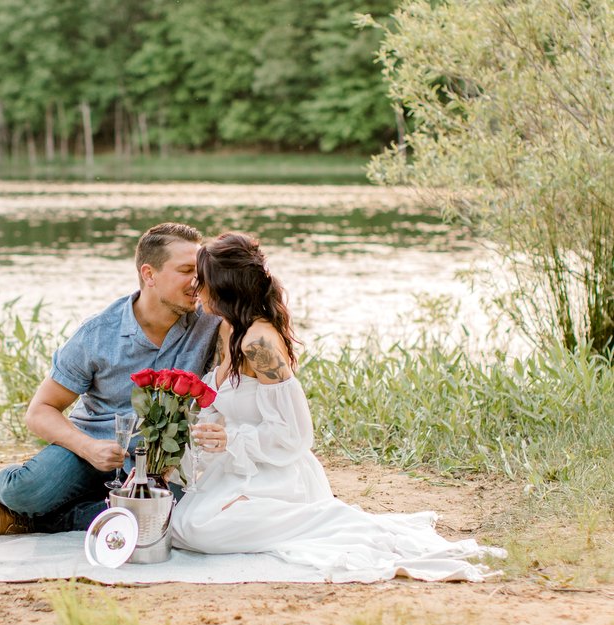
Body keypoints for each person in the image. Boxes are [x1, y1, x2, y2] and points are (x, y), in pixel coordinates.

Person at [171, 232, 505, 582]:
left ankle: (328, 520)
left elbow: (293, 435)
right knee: (182, 525)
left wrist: (230, 439)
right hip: (239, 471)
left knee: (198, 530)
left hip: (278, 474)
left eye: (202, 279)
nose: (197, 287)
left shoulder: (259, 343)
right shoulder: (228, 330)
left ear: (224, 286)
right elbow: (225, 404)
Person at [0, 223, 221, 535]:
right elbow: (40, 410)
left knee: (167, 513)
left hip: (155, 464)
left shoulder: (211, 321)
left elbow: (255, 301)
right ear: (149, 275)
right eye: (186, 270)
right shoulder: (98, 334)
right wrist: (88, 448)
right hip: (85, 450)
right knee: (27, 491)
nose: (198, 281)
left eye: (201, 270)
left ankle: (34, 521)